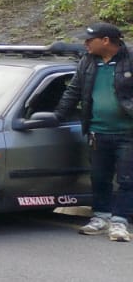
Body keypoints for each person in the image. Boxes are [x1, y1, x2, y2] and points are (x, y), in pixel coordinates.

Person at [53, 21, 133, 241]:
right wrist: (57, 116)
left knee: (127, 179)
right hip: (97, 132)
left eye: (89, 40)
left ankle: (120, 222)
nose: (85, 44)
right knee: (99, 177)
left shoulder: (129, 59)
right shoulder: (88, 62)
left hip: (128, 133)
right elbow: (74, 91)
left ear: (105, 41)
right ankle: (101, 217)